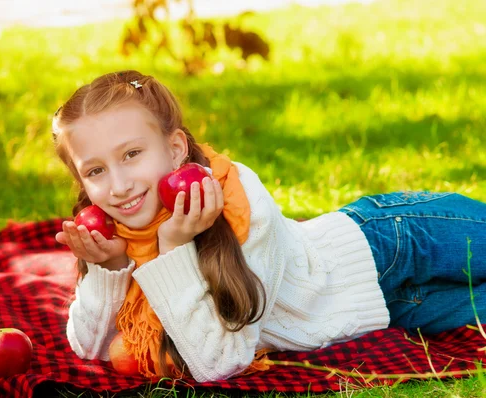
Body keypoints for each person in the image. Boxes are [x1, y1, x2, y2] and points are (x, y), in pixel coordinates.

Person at [52, 70, 486, 383]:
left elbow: (218, 358)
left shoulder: (240, 200)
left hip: (392, 240)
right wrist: (111, 268)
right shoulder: (112, 234)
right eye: (95, 171)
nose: (119, 185)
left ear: (175, 148)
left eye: (131, 154)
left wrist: (174, 246)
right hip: (389, 309)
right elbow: (94, 348)